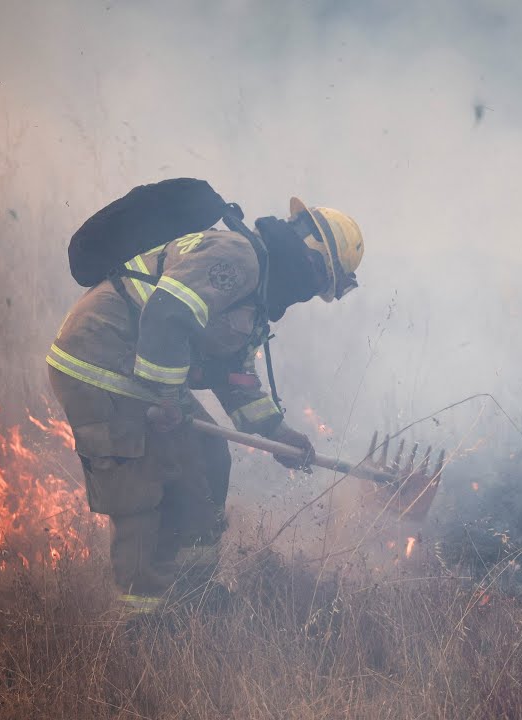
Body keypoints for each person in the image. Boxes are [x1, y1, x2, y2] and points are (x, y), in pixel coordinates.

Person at [47, 182, 364, 614]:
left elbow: (234, 374)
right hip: (99, 359)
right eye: (321, 284)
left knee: (209, 455)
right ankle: (143, 622)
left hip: (139, 372)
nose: (310, 296)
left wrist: (276, 431)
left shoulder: (256, 289)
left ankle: (195, 593)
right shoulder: (237, 259)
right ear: (311, 263)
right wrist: (168, 398)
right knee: (143, 489)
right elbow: (167, 313)